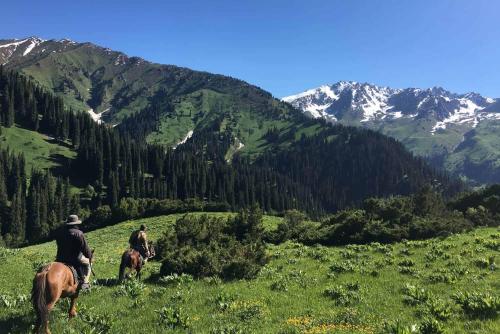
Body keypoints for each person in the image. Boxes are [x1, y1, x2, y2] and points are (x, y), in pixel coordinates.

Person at [56, 214, 93, 290]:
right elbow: (85, 249)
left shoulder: (60, 233)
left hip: (60, 258)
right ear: (76, 224)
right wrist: (89, 256)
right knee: (88, 264)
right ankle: (85, 283)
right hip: (74, 258)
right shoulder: (79, 233)